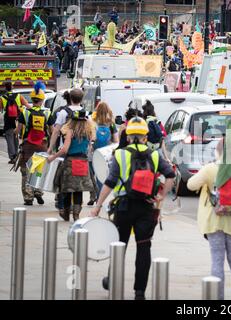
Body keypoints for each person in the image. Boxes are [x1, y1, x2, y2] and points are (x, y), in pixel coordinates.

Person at [90, 116, 175, 300]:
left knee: (120, 245)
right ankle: (139, 292)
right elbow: (170, 175)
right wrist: (160, 198)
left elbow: (110, 182)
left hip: (123, 207)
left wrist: (97, 205)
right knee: (144, 248)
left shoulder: (119, 154)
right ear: (145, 137)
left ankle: (112, 280)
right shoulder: (154, 154)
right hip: (146, 208)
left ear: (128, 137)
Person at [187, 129, 231, 300]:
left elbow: (190, 185)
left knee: (217, 260)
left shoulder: (210, 169)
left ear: (217, 150)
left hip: (214, 221)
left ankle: (218, 298)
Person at [48, 110, 95, 221]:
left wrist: (52, 157)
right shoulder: (88, 132)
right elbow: (93, 140)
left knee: (68, 189)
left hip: (70, 162)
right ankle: (76, 214)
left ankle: (66, 213)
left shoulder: (70, 131)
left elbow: (65, 149)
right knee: (78, 189)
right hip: (83, 162)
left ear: (72, 120)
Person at [15, 82, 54, 206]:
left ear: (32, 99)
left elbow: (18, 129)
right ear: (42, 101)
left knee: (26, 171)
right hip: (42, 145)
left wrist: (16, 133)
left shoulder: (25, 112)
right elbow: (52, 131)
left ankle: (28, 197)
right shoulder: (47, 113)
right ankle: (38, 191)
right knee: (39, 169)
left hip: (28, 146)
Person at [88, 102, 119, 204]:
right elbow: (116, 140)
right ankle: (99, 199)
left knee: (91, 176)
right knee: (101, 177)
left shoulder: (92, 122)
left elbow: (90, 138)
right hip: (104, 155)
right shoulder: (111, 124)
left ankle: (93, 195)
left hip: (92, 153)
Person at [47, 88, 84, 155]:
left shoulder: (63, 112)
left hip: (65, 148)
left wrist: (50, 147)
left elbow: (56, 131)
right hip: (81, 149)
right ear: (81, 99)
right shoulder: (85, 113)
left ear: (71, 98)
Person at [1, 81, 29, 164]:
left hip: (8, 120)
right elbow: (28, 106)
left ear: (5, 88)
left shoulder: (2, 98)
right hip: (17, 119)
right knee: (16, 137)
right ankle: (16, 155)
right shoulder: (19, 96)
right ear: (12, 87)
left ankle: (12, 156)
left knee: (9, 138)